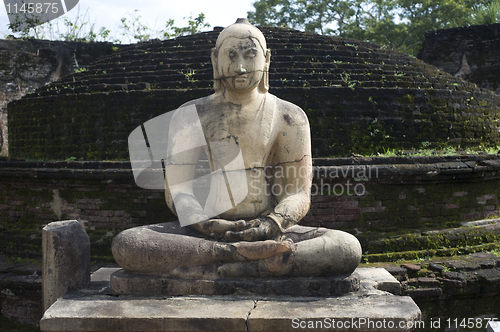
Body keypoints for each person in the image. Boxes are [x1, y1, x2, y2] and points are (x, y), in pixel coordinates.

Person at [112, 19, 361, 279]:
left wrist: (269, 225)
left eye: (250, 55)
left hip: (269, 230)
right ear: (214, 60)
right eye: (230, 55)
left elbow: (298, 193)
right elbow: (178, 190)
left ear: (266, 60)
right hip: (207, 233)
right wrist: (203, 222)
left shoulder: (290, 116)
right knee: (127, 244)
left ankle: (228, 264)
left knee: (346, 248)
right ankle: (242, 257)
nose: (240, 67)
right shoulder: (190, 114)